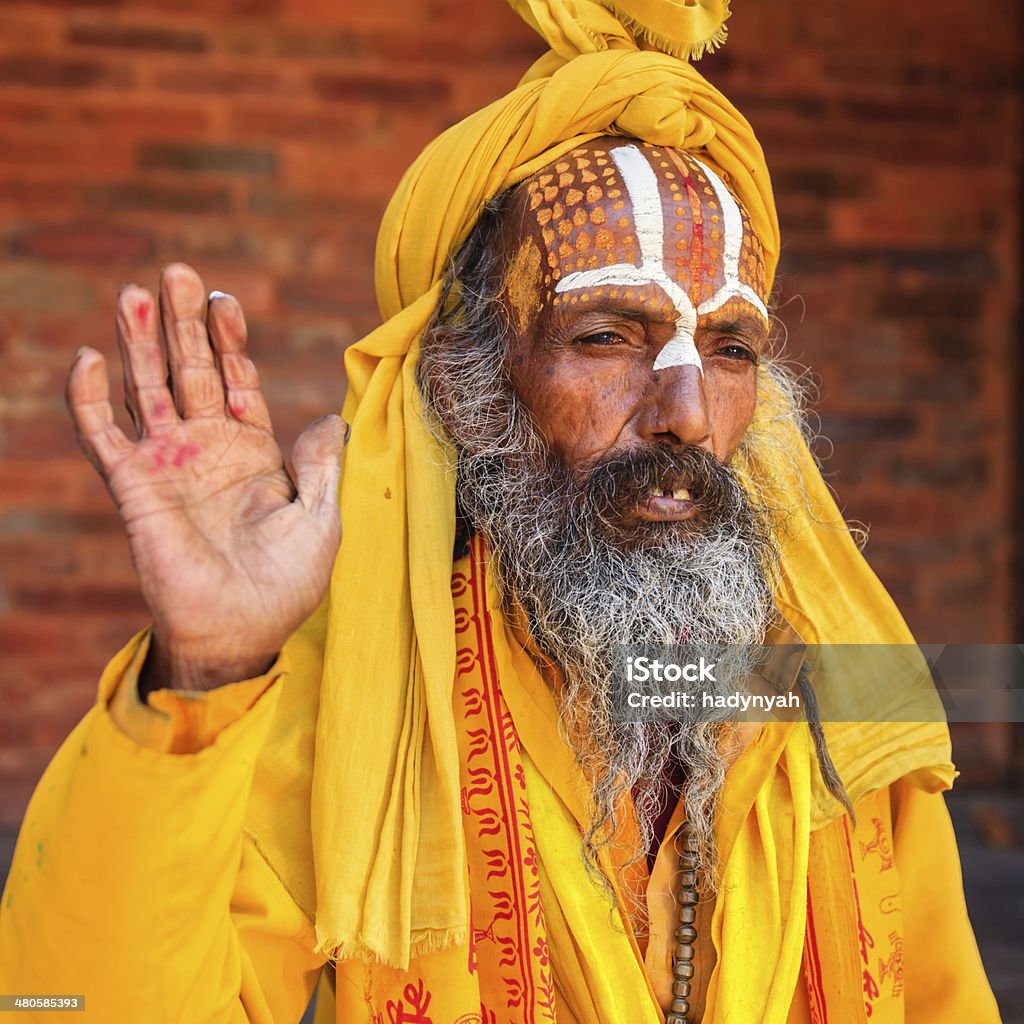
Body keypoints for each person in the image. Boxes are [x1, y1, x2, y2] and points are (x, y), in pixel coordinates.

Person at [0, 2, 1001, 1022]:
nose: (686, 413)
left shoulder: (828, 685)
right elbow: (79, 1005)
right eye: (609, 336)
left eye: (729, 350)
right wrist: (205, 674)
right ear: (472, 378)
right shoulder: (352, 695)